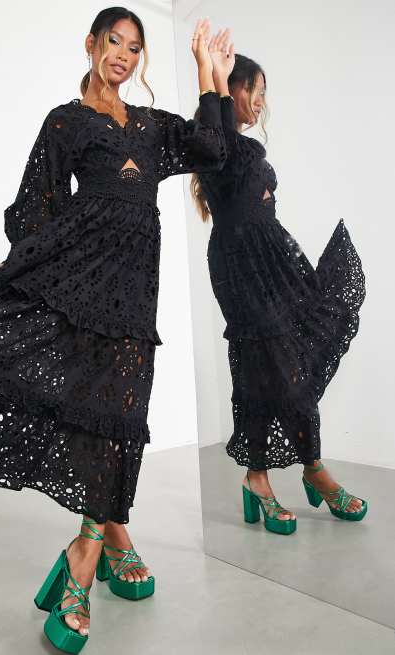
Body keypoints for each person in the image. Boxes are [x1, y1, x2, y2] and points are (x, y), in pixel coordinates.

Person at [0, 7, 229, 653]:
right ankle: (88, 551)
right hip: (80, 285)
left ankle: (105, 535)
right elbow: (34, 207)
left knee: (122, 412)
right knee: (99, 413)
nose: (123, 55)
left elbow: (213, 149)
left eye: (135, 47)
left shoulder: (152, 126)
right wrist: (34, 271)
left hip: (135, 289)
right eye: (113, 42)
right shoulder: (65, 121)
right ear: (91, 44)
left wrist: (208, 73)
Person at [190, 42, 367, 536]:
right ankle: (304, 471)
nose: (261, 100)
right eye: (256, 89)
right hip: (240, 267)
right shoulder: (217, 143)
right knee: (273, 368)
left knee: (280, 368)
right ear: (234, 91)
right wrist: (215, 74)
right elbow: (218, 136)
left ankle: (270, 476)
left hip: (273, 261)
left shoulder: (245, 148)